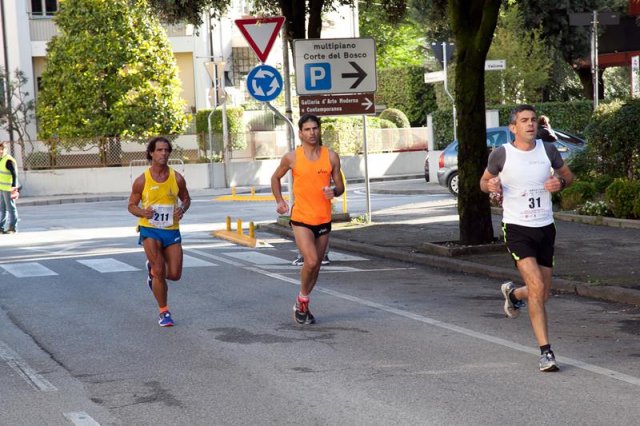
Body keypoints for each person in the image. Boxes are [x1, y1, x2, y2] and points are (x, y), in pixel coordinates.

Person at [480, 104, 574, 372]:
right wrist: (492, 185)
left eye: (533, 120)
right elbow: (483, 182)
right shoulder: (501, 154)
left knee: (543, 293)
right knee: (535, 285)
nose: (530, 124)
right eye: (524, 120)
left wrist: (560, 183)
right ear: (513, 127)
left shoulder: (549, 150)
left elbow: (568, 176)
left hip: (545, 227)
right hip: (517, 227)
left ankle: (512, 294)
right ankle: (546, 352)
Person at [271, 114, 344, 325]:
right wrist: (279, 200)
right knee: (310, 260)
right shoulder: (292, 158)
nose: (312, 133)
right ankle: (302, 298)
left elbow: (340, 186)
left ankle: (303, 303)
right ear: (301, 133)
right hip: (301, 218)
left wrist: (334, 190)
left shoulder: (331, 157)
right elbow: (275, 178)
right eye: (308, 129)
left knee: (316, 267)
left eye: (315, 128)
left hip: (323, 219)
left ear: (319, 130)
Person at [128, 137, 190, 327]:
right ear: (151, 153)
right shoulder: (142, 180)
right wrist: (142, 212)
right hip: (150, 229)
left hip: (171, 231)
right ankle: (164, 312)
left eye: (166, 150)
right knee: (160, 270)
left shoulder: (177, 178)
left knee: (175, 274)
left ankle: (152, 272)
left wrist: (182, 208)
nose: (164, 153)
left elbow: (186, 199)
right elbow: (131, 205)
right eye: (160, 150)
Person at [0, 141, 20, 234]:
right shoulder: (1, 159)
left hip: (8, 189)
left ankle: (13, 228)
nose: (0, 151)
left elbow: (14, 174)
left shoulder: (8, 160)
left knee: (11, 208)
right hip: (1, 188)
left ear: (5, 149)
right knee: (2, 208)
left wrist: (13, 187)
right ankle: (1, 227)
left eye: (2, 149)